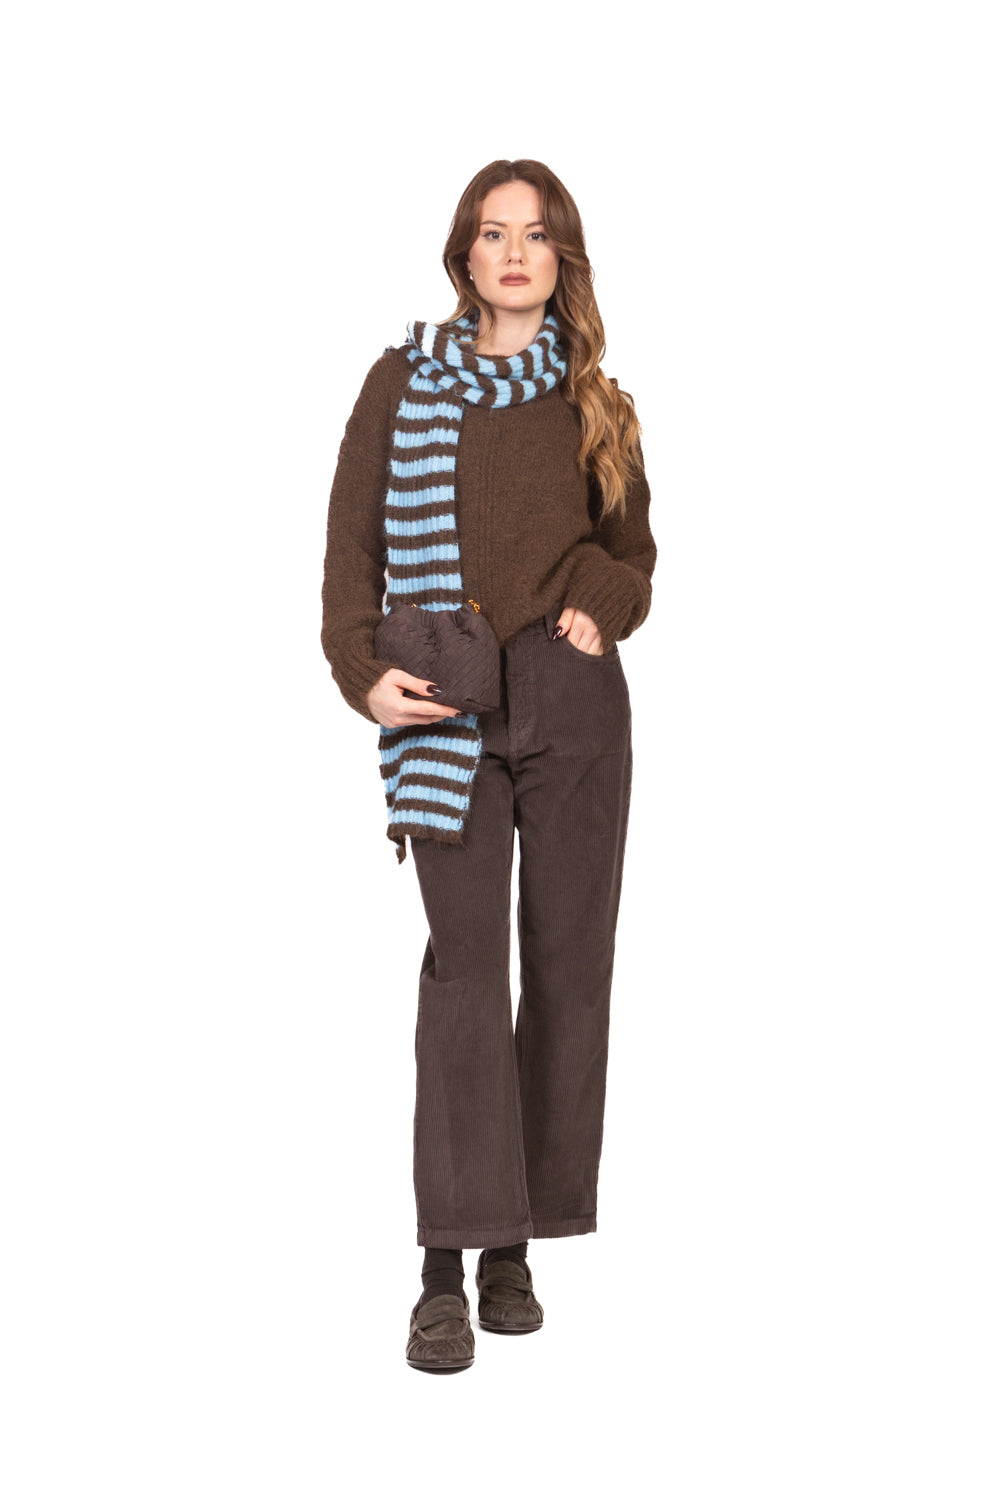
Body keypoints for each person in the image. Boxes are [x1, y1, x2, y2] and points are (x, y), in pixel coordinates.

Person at [320, 159, 657, 1373]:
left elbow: (634, 558)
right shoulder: (401, 382)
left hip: (570, 704)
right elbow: (351, 546)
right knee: (465, 974)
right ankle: (442, 1266)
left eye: (535, 234)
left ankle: (514, 1245)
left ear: (562, 257)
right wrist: (360, 670)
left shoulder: (595, 401)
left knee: (567, 972)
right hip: (444, 702)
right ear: (462, 252)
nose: (513, 252)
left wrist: (596, 605)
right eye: (491, 231)